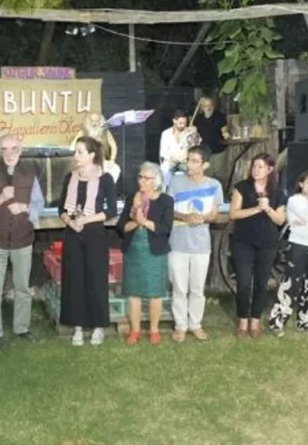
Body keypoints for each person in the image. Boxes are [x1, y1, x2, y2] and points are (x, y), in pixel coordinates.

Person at [0, 134, 45, 347]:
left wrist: (25, 208)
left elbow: (39, 204)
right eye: (4, 149)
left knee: (22, 288)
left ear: (21, 151)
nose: (9, 153)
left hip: (23, 240)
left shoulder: (31, 173)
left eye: (14, 148)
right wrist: (1, 198)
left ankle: (22, 327)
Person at [59, 136, 117, 346]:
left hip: (95, 236)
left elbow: (111, 210)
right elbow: (61, 209)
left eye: (80, 152)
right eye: (76, 151)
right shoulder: (70, 177)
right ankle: (77, 327)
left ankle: (98, 327)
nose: (76, 156)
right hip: (72, 235)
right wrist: (71, 222)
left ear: (92, 155)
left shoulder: (105, 179)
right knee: (74, 280)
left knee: (95, 280)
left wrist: (86, 219)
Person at [166, 145, 223, 342]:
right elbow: (168, 209)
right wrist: (185, 216)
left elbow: (215, 214)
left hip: (201, 245)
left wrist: (202, 218)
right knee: (179, 288)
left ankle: (195, 324)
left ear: (205, 165)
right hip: (178, 243)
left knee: (197, 289)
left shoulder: (214, 185)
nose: (189, 164)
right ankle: (180, 325)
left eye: (194, 161)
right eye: (188, 160)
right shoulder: (176, 182)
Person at [229, 153, 286, 339]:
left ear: (270, 169)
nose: (255, 170)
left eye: (260, 167)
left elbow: (280, 220)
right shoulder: (242, 188)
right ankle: (242, 320)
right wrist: (256, 209)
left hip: (267, 244)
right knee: (244, 283)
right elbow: (233, 214)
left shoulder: (278, 192)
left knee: (262, 283)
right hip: (243, 242)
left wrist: (267, 208)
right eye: (254, 166)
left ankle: (255, 320)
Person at [269, 170, 308, 337]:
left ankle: (305, 320)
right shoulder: (294, 200)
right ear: (301, 184)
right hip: (298, 245)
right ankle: (278, 321)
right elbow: (297, 219)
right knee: (291, 283)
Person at [117, 162, 173, 345]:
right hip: (133, 249)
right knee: (133, 292)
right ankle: (135, 331)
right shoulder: (132, 198)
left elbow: (165, 229)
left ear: (156, 181)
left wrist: (145, 222)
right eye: (140, 177)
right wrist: (136, 221)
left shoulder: (165, 200)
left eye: (147, 178)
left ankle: (154, 330)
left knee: (155, 293)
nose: (142, 181)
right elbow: (121, 226)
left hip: (155, 251)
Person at [70, 112, 121, 182]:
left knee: (116, 169)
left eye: (97, 121)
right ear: (88, 122)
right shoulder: (83, 132)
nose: (94, 123)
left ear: (100, 121)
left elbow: (113, 145)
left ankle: (107, 187)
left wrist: (112, 160)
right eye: (92, 121)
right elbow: (72, 147)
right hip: (87, 162)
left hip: (102, 162)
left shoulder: (104, 132)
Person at [193, 97, 230, 180]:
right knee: (207, 176)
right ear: (202, 107)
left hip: (219, 150)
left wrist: (225, 134)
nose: (209, 107)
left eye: (210, 105)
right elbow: (195, 133)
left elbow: (224, 129)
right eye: (206, 106)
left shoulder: (219, 116)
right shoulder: (198, 118)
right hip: (205, 152)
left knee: (219, 175)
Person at [160, 110, 197, 188]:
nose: (183, 125)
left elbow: (195, 150)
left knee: (191, 178)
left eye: (185, 123)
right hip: (170, 163)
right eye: (180, 123)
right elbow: (163, 152)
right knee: (165, 176)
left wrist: (194, 135)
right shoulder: (166, 133)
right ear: (174, 121)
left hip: (185, 163)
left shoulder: (190, 132)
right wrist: (175, 157)